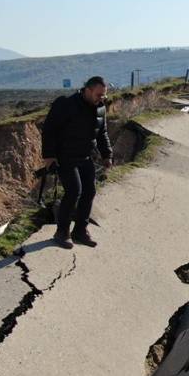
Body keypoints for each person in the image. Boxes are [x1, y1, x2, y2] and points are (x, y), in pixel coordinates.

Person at [41, 76, 113, 249]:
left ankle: (80, 231)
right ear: (87, 90)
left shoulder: (101, 109)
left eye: (103, 95)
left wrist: (107, 154)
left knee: (89, 192)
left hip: (85, 156)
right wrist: (49, 157)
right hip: (65, 157)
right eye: (98, 94)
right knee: (74, 191)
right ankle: (62, 232)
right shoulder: (65, 104)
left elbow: (102, 133)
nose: (101, 98)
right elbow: (49, 130)